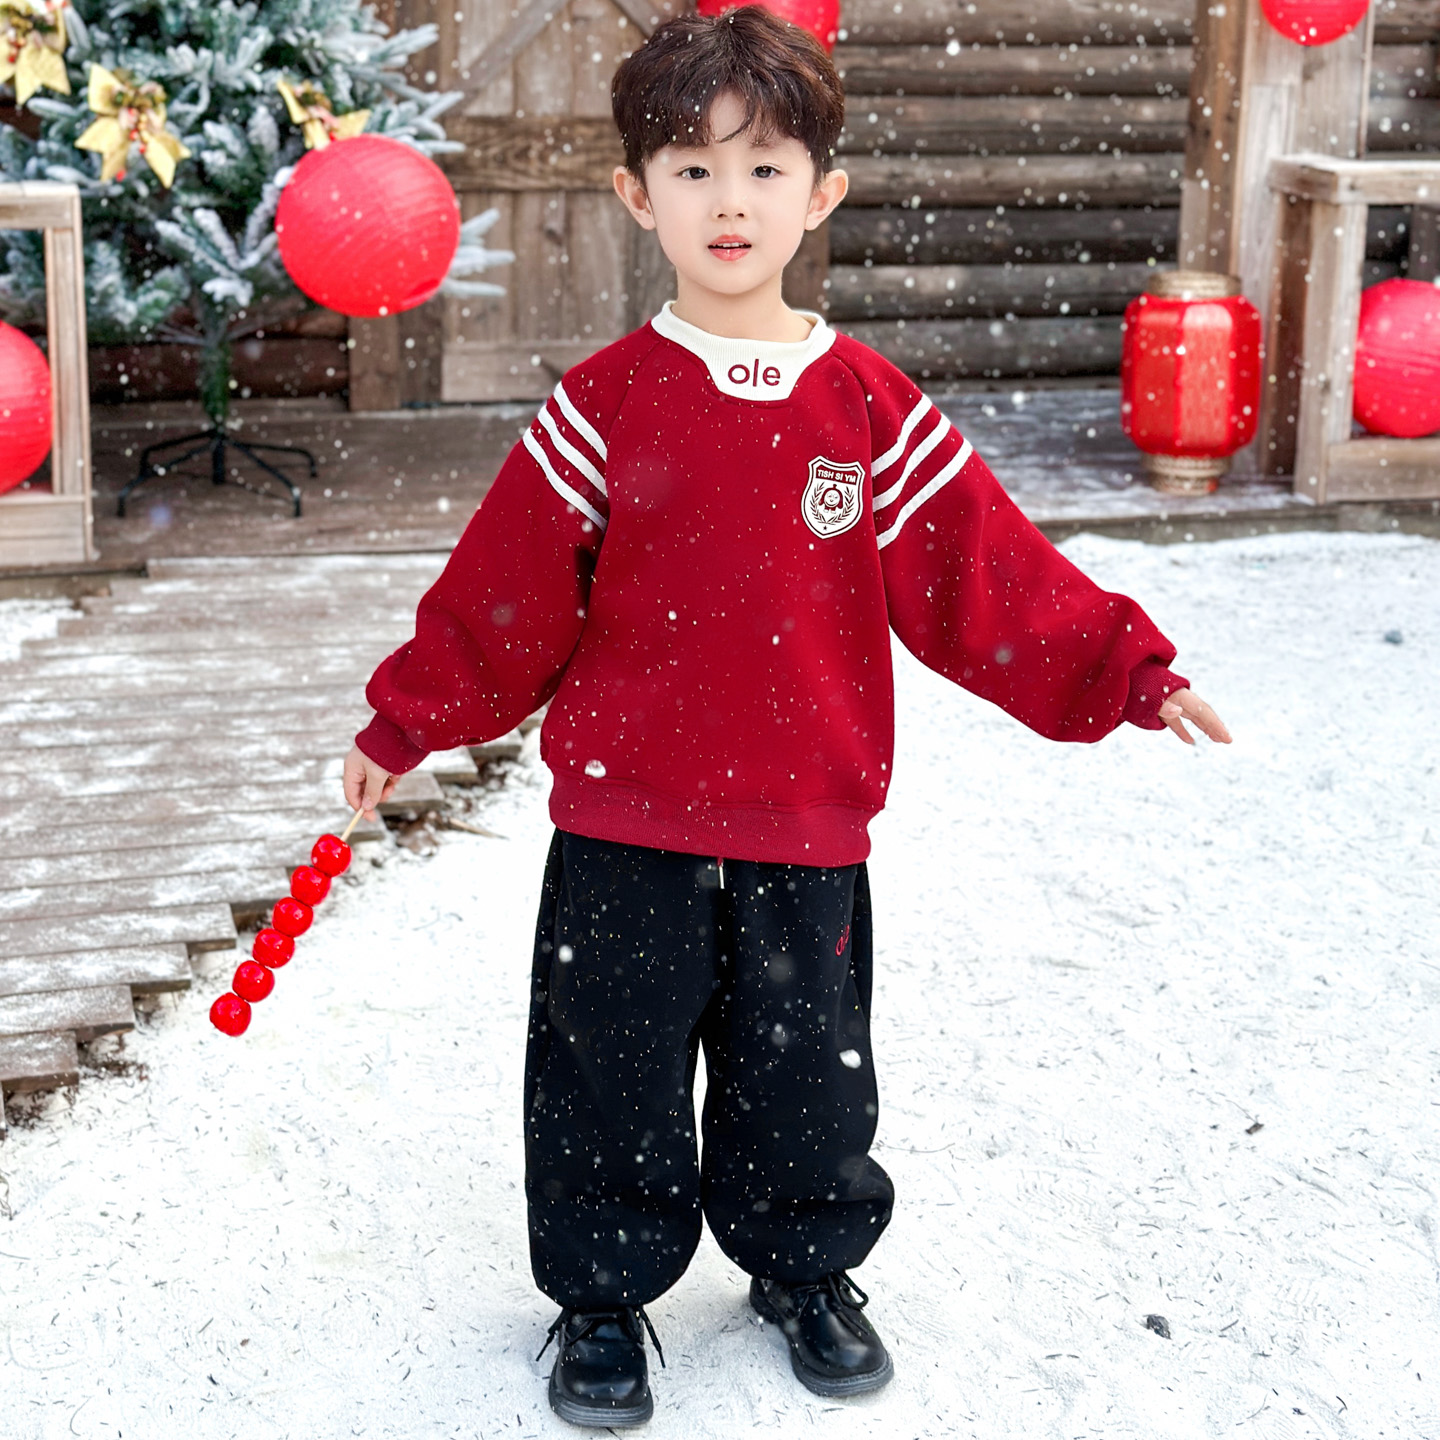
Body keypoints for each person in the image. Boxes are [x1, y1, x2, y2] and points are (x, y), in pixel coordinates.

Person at [343, 7, 1231, 1428]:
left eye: (765, 168)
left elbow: (985, 576)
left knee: (804, 1081)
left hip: (804, 826)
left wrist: (1125, 668)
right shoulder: (605, 406)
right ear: (637, 194)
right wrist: (407, 719)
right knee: (607, 1076)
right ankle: (601, 1296)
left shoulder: (867, 410)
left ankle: (805, 1269)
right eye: (692, 168)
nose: (730, 199)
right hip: (625, 825)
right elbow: (505, 596)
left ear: (822, 192)